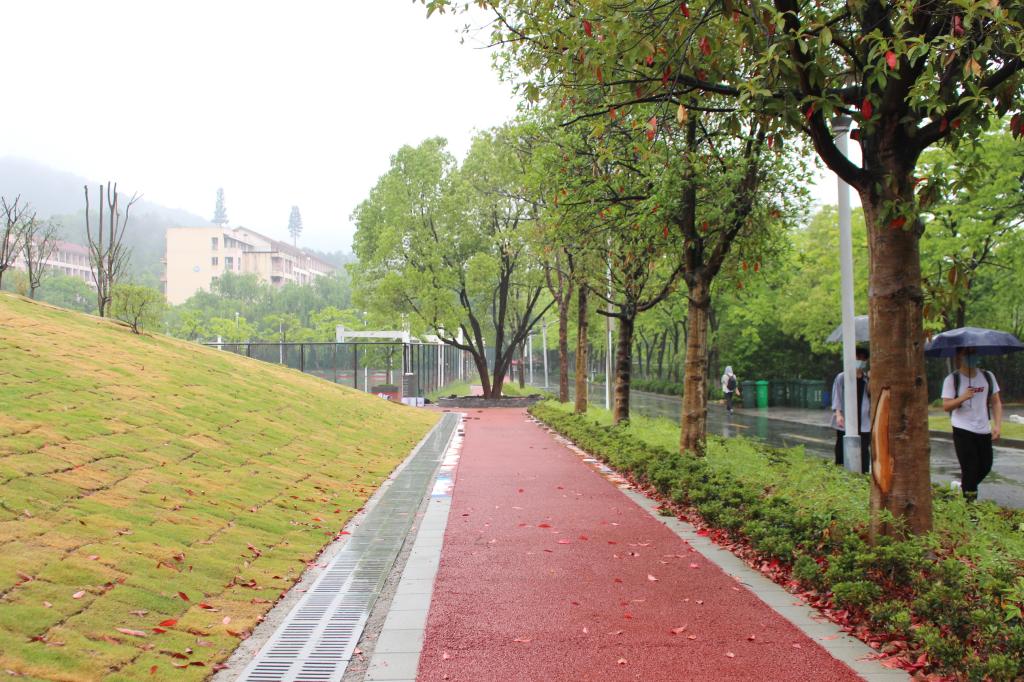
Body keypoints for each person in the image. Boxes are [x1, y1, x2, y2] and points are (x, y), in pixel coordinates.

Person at [941, 347, 1003, 501]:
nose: (972, 356)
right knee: (970, 468)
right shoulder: (952, 379)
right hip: (962, 429)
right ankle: (970, 507)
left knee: (986, 466)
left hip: (983, 429)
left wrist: (997, 425)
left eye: (974, 353)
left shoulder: (988, 376)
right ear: (959, 356)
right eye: (967, 353)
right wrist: (963, 397)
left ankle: (963, 487)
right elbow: (946, 406)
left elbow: (996, 402)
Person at [830, 347, 871, 473]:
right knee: (842, 449)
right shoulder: (842, 377)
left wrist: (872, 379)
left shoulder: (867, 379)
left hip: (864, 421)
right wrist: (838, 414)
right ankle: (841, 473)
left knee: (864, 450)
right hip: (846, 420)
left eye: (863, 359)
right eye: (857, 358)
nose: (860, 361)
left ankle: (862, 475)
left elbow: (872, 396)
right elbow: (837, 396)